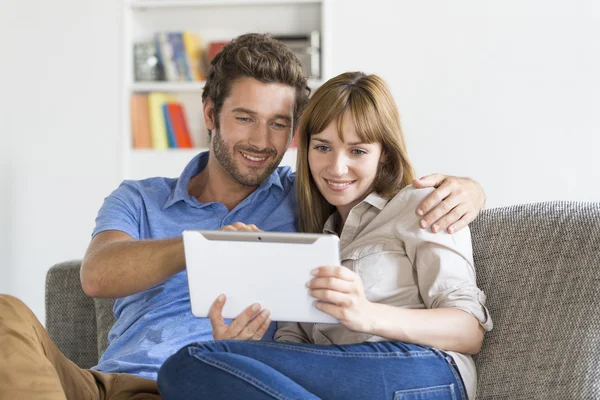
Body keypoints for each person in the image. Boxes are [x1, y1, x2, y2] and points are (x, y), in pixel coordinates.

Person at [0, 34, 486, 399]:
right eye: (244, 118)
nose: (261, 140)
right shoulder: (140, 198)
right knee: (5, 312)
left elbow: (369, 185)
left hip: (212, 380)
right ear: (210, 114)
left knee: (197, 367)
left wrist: (471, 189)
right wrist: (207, 245)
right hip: (103, 383)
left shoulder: (305, 197)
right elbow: (97, 275)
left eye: (279, 124)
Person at [156, 72, 493, 400]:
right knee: (200, 370)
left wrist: (367, 314)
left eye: (357, 151)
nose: (336, 167)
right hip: (339, 380)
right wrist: (241, 352)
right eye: (322, 148)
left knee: (188, 364)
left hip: (422, 372)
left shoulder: (423, 204)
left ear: (384, 154)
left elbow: (468, 330)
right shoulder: (311, 238)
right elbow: (295, 353)